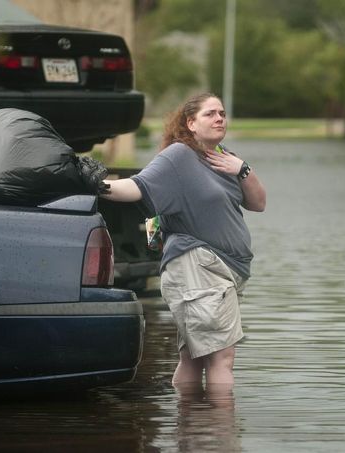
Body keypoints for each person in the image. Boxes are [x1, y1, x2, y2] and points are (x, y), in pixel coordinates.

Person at [102, 92, 266, 389]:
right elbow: (134, 188)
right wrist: (90, 183)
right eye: (210, 113)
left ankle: (192, 430)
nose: (220, 118)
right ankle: (218, 431)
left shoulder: (224, 157)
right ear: (191, 123)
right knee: (221, 358)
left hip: (223, 272)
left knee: (194, 357)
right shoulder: (178, 156)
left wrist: (242, 169)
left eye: (223, 113)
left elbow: (258, 203)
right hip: (199, 266)